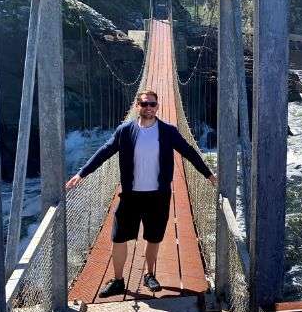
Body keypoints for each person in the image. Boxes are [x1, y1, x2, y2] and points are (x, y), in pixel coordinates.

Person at [65, 89, 217, 297]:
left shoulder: (168, 131)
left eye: (152, 104)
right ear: (137, 106)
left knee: (153, 238)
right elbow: (104, 152)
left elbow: (189, 152)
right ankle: (118, 280)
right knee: (118, 238)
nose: (148, 108)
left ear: (157, 106)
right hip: (130, 195)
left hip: (158, 195)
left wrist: (209, 175)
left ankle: (149, 274)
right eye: (144, 104)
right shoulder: (125, 131)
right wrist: (81, 174)